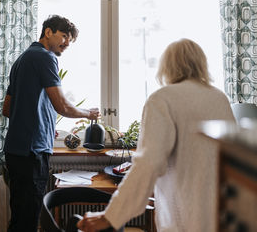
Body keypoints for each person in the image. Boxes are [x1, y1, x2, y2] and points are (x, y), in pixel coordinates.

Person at [77, 38, 235, 232]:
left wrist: (111, 216)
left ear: (167, 67)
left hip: (185, 215)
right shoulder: (219, 98)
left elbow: (149, 163)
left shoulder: (163, 99)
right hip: (225, 213)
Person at [2, 15, 100, 232]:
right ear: (48, 32)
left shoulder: (22, 59)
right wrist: (89, 114)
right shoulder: (45, 57)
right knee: (29, 220)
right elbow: (63, 106)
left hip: (16, 152)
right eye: (63, 36)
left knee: (19, 217)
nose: (66, 43)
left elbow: (8, 109)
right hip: (32, 152)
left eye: (69, 40)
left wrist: (43, 122)